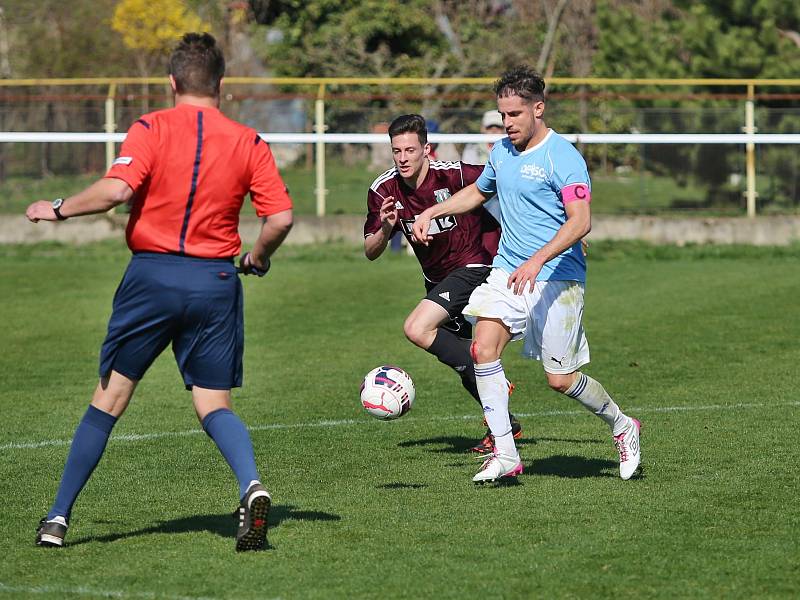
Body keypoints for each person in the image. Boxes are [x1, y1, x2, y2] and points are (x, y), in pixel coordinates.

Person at [26, 33, 293, 551]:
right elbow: (279, 217)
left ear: (172, 82)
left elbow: (117, 190)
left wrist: (56, 207)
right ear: (222, 85)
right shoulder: (248, 141)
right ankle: (251, 485)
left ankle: (58, 518)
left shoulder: (150, 127)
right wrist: (258, 256)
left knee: (110, 399)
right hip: (215, 281)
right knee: (215, 403)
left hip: (152, 277)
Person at [412, 66, 641, 484]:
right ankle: (505, 452)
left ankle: (623, 425)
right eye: (503, 114)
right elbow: (478, 192)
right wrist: (432, 210)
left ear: (539, 109)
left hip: (558, 277)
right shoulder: (502, 153)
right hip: (508, 272)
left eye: (515, 114)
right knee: (483, 349)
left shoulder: (563, 157)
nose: (507, 123)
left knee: (559, 379)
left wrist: (538, 259)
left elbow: (581, 221)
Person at [364, 114, 521, 453]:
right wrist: (387, 227)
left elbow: (507, 180)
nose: (403, 158)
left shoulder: (453, 174)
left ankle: (491, 379)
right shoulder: (383, 190)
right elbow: (370, 251)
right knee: (464, 358)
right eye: (397, 151)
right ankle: (503, 425)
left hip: (477, 262)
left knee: (417, 328)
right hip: (436, 279)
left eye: (410, 150)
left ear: (426, 149)